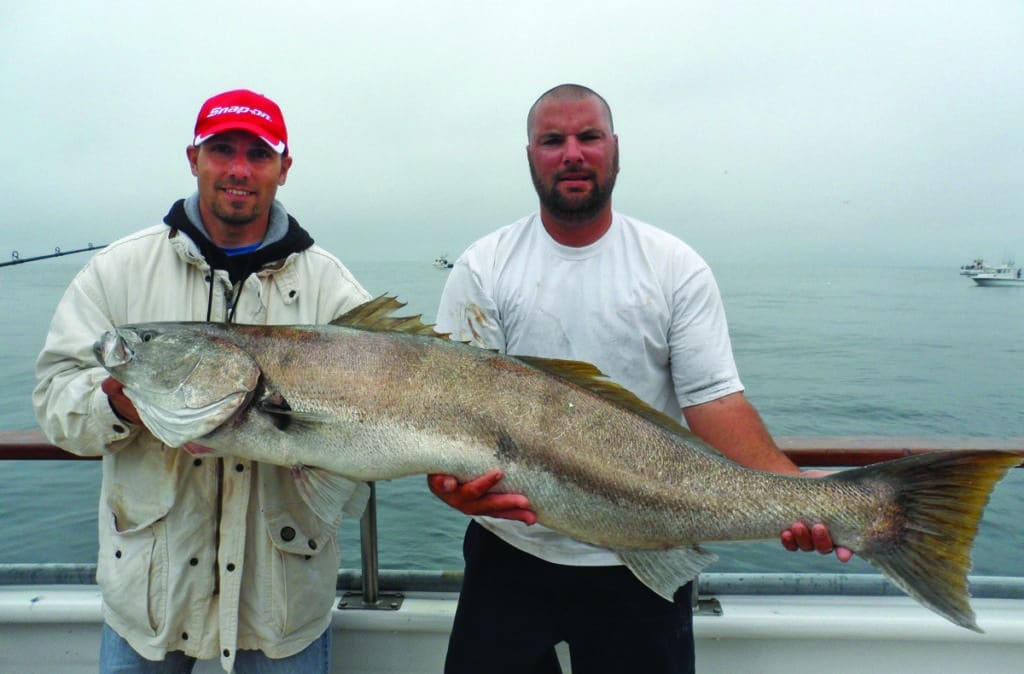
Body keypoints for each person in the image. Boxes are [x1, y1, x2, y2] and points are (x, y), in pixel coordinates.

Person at [427, 83, 852, 674]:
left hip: (646, 553)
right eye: (553, 140)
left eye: (588, 137)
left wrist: (806, 497)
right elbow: (456, 414)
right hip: (511, 550)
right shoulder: (484, 266)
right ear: (530, 156)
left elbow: (716, 405)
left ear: (614, 149)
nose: (572, 153)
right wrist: (446, 486)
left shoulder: (674, 266)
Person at [33, 89, 371, 673]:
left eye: (258, 154)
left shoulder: (333, 290)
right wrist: (120, 406)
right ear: (194, 157)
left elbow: (382, 421)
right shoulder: (118, 271)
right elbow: (54, 397)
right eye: (222, 149)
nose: (239, 169)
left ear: (284, 169)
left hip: (284, 607)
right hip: (148, 605)